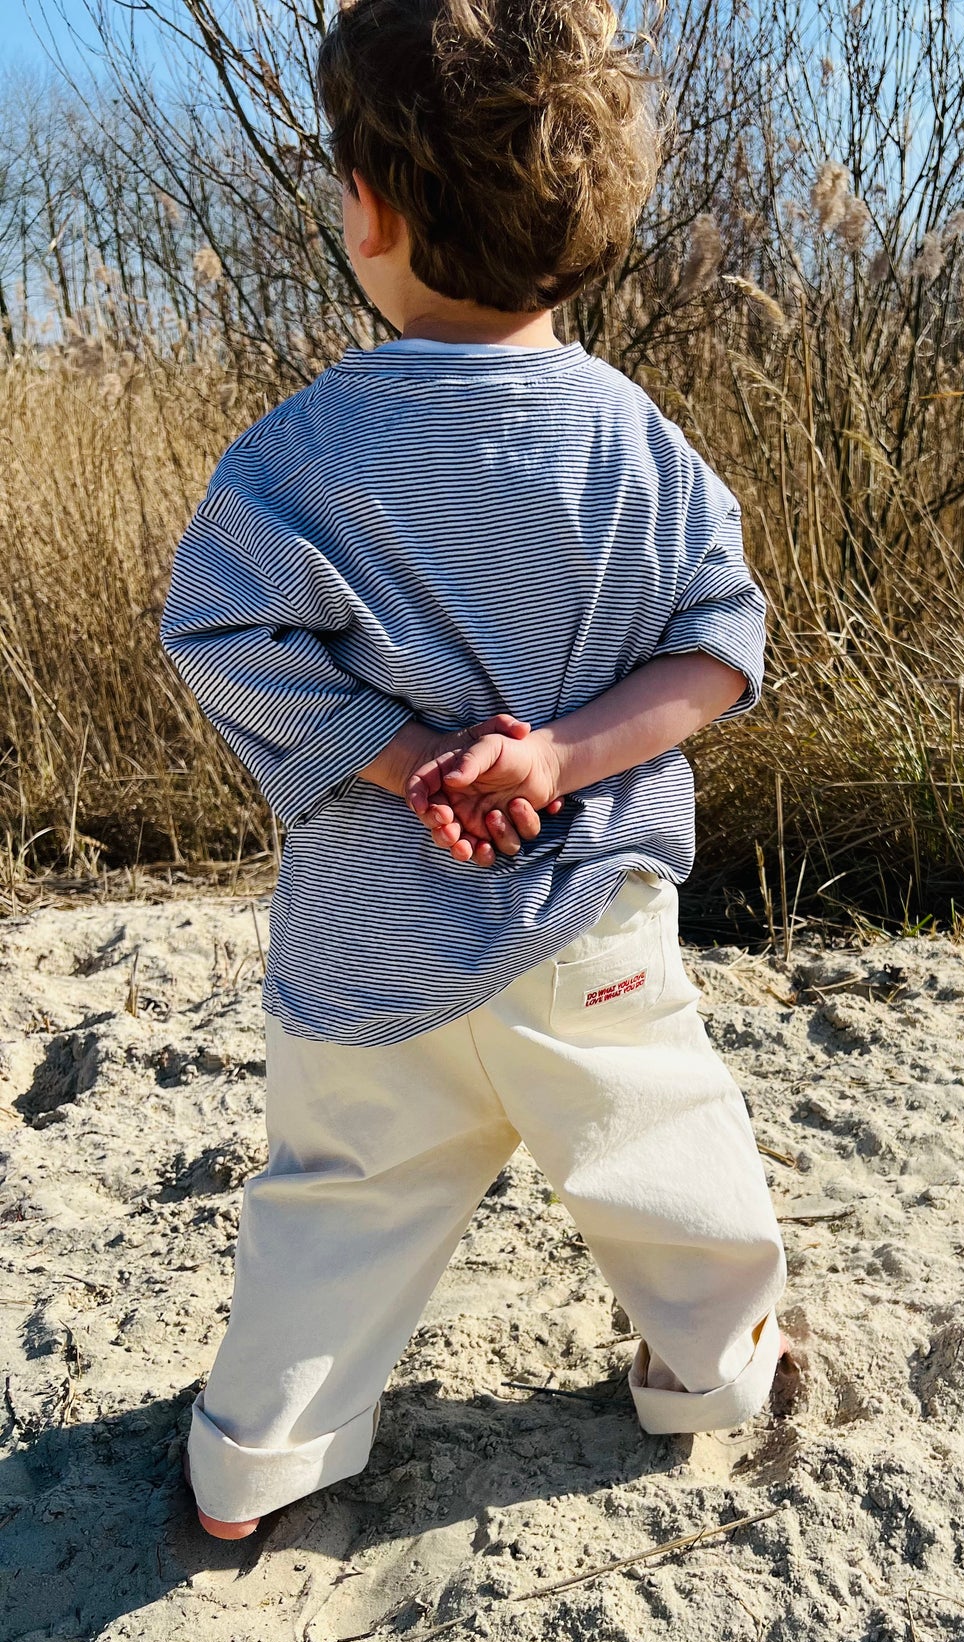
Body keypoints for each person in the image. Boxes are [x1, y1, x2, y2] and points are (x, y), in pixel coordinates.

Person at [160, 0, 788, 1540]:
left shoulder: (301, 450)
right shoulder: (640, 444)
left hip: (374, 929)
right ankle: (705, 1373)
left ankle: (257, 1460)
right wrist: (556, 755)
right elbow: (718, 654)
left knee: (340, 1197)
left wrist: (402, 759)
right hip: (589, 924)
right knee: (665, 1151)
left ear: (369, 211)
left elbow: (218, 631)